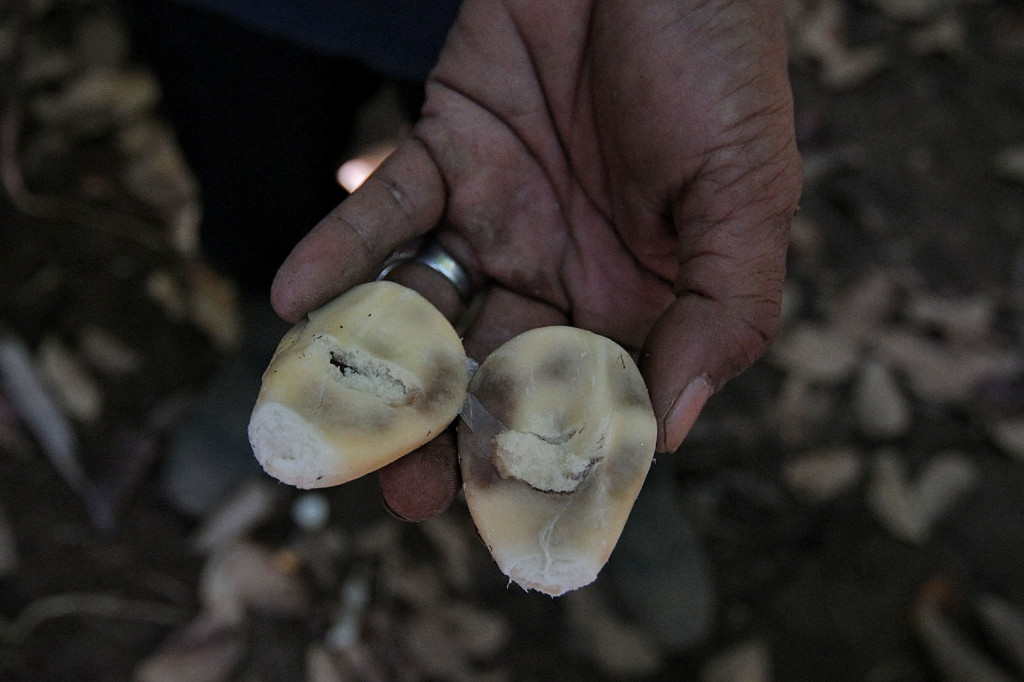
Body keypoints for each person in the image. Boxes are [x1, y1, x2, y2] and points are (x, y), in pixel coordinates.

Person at [128, 0, 802, 521]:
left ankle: (616, 447)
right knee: (257, 185)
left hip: (542, 35)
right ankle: (268, 348)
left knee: (616, 303)